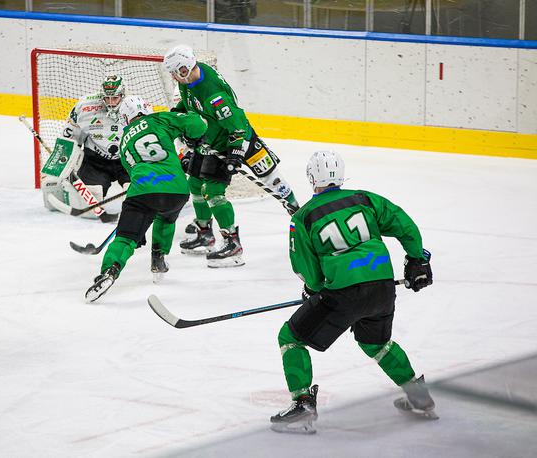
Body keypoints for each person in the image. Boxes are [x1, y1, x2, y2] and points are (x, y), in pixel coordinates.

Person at [271, 150, 435, 434]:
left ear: (312, 179)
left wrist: (313, 289)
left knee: (291, 338)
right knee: (377, 344)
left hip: (343, 294)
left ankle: (302, 404)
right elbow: (404, 225)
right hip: (383, 287)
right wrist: (417, 260)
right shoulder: (364, 199)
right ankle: (418, 395)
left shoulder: (303, 217)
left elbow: (306, 268)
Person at [163, 44, 300, 268]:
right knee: (196, 184)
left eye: (176, 72)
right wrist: (181, 119)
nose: (174, 76)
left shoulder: (214, 95)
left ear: (185, 69)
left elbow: (237, 127)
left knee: (273, 181)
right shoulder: (190, 79)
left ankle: (237, 244)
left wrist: (235, 154)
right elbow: (190, 103)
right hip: (212, 141)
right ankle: (205, 233)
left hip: (237, 141)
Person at [85, 96, 207, 302]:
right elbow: (197, 126)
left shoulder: (123, 141)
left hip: (142, 191)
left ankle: (109, 272)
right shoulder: (159, 119)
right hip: (176, 190)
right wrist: (191, 118)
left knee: (125, 237)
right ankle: (158, 258)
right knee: (166, 218)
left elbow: (133, 170)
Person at [42, 75, 130, 223]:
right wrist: (59, 167)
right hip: (96, 161)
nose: (110, 103)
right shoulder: (85, 107)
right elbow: (69, 139)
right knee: (89, 208)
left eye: (114, 98)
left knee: (138, 200)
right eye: (106, 98)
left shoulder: (134, 107)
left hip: (127, 161)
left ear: (123, 95)